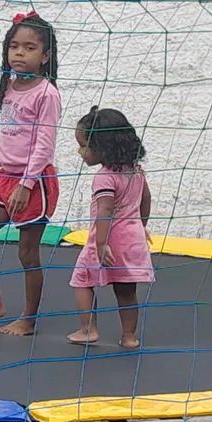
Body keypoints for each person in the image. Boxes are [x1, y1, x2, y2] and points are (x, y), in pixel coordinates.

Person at [0, 11, 61, 337]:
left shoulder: (46, 94)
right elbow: (6, 132)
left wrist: (26, 184)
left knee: (26, 252)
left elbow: (44, 146)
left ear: (45, 56)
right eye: (14, 46)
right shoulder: (9, 86)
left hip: (33, 183)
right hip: (5, 178)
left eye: (30, 48)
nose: (20, 53)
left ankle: (29, 319)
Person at [67, 106, 154, 349]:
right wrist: (140, 225)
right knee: (126, 291)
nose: (79, 151)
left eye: (84, 146)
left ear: (102, 147)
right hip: (133, 240)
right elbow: (146, 200)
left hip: (106, 240)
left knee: (81, 280)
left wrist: (101, 243)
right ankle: (129, 337)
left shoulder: (105, 177)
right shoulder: (136, 171)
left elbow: (105, 211)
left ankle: (88, 329)